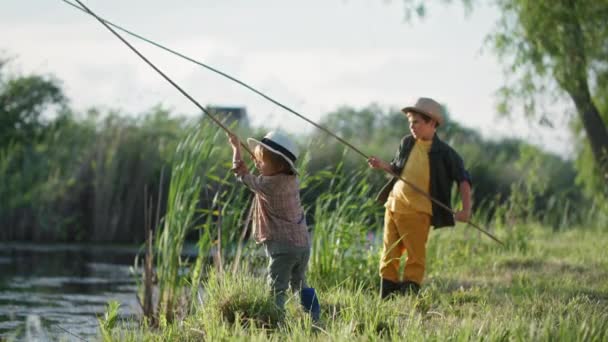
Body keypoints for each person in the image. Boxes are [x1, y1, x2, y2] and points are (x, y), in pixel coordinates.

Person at [367, 97, 472, 298]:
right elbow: (397, 169)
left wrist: (466, 210)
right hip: (394, 205)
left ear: (432, 123)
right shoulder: (406, 143)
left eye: (417, 122)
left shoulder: (445, 153)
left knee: (415, 257)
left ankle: (408, 297)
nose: (412, 127)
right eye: (410, 122)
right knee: (389, 252)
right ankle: (386, 296)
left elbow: (464, 180)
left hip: (418, 212)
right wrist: (382, 165)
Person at [228, 131, 320, 321]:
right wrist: (259, 162)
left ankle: (276, 322)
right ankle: (315, 318)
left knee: (277, 286)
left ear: (278, 166)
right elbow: (259, 172)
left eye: (261, 161)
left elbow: (240, 174)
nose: (257, 163)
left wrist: (236, 148)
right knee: (300, 283)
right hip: (302, 244)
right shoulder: (291, 179)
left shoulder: (268, 184)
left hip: (283, 247)